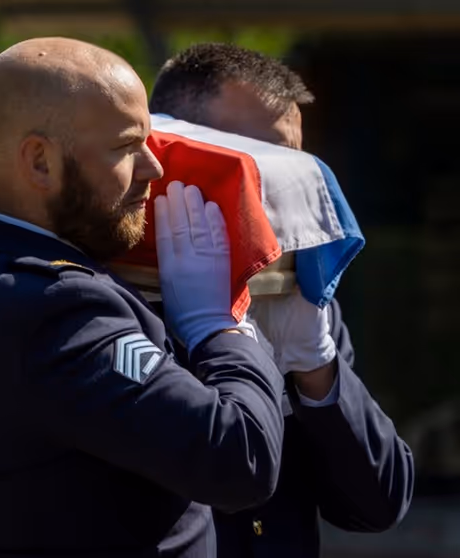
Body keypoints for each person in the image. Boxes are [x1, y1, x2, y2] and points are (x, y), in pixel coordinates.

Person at [0, 37, 286, 557]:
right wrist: (221, 330)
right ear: (40, 162)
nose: (153, 169)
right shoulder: (63, 310)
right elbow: (240, 460)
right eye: (125, 146)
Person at [145, 42, 414, 558]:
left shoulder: (299, 295)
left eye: (290, 167)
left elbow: (377, 503)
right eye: (252, 161)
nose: (276, 191)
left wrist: (318, 373)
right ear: (171, 145)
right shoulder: (105, 289)